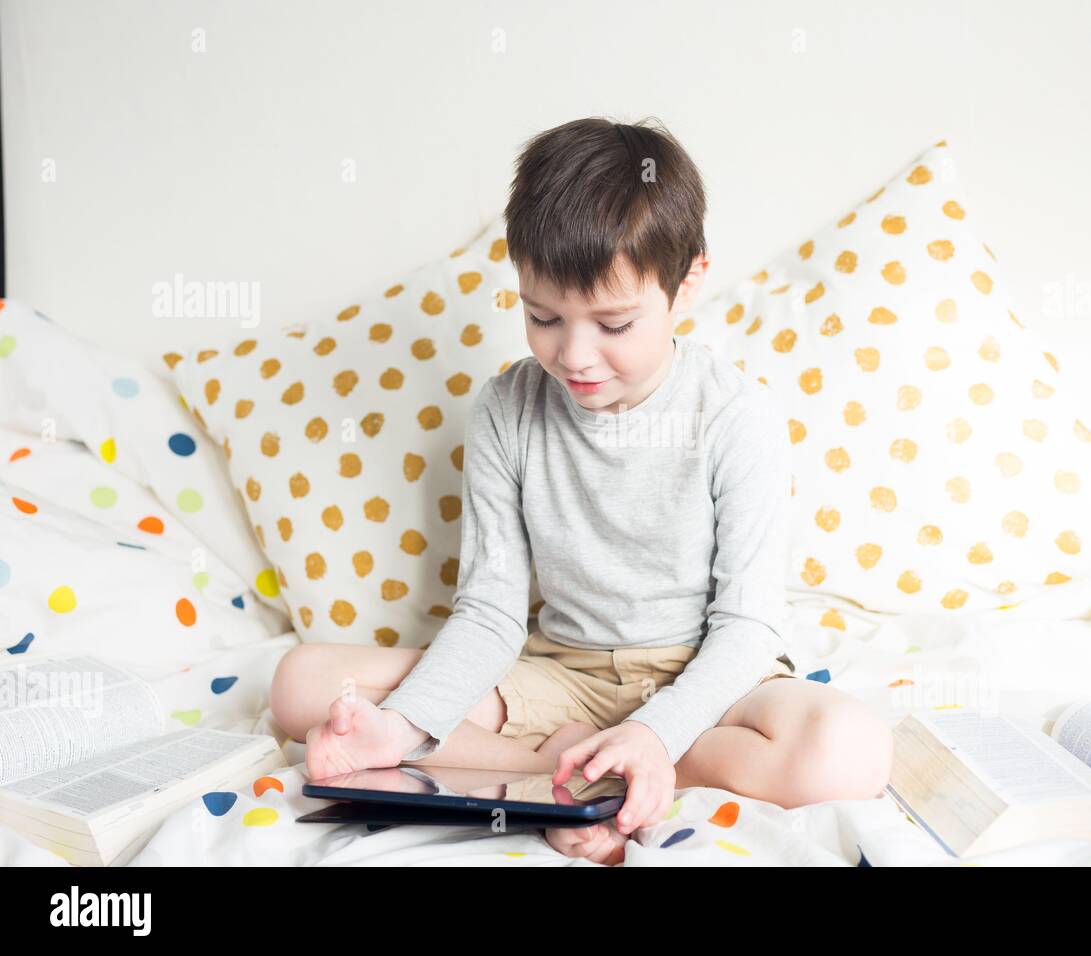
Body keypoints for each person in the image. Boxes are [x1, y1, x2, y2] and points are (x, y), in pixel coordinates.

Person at [270, 116, 893, 865]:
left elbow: (748, 627)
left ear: (687, 281)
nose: (574, 354)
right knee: (303, 685)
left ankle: (615, 770)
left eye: (614, 322)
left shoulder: (735, 417)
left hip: (706, 677)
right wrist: (399, 729)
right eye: (543, 317)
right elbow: (490, 613)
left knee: (848, 750)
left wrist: (657, 733)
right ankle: (576, 768)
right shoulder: (507, 409)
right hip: (560, 675)